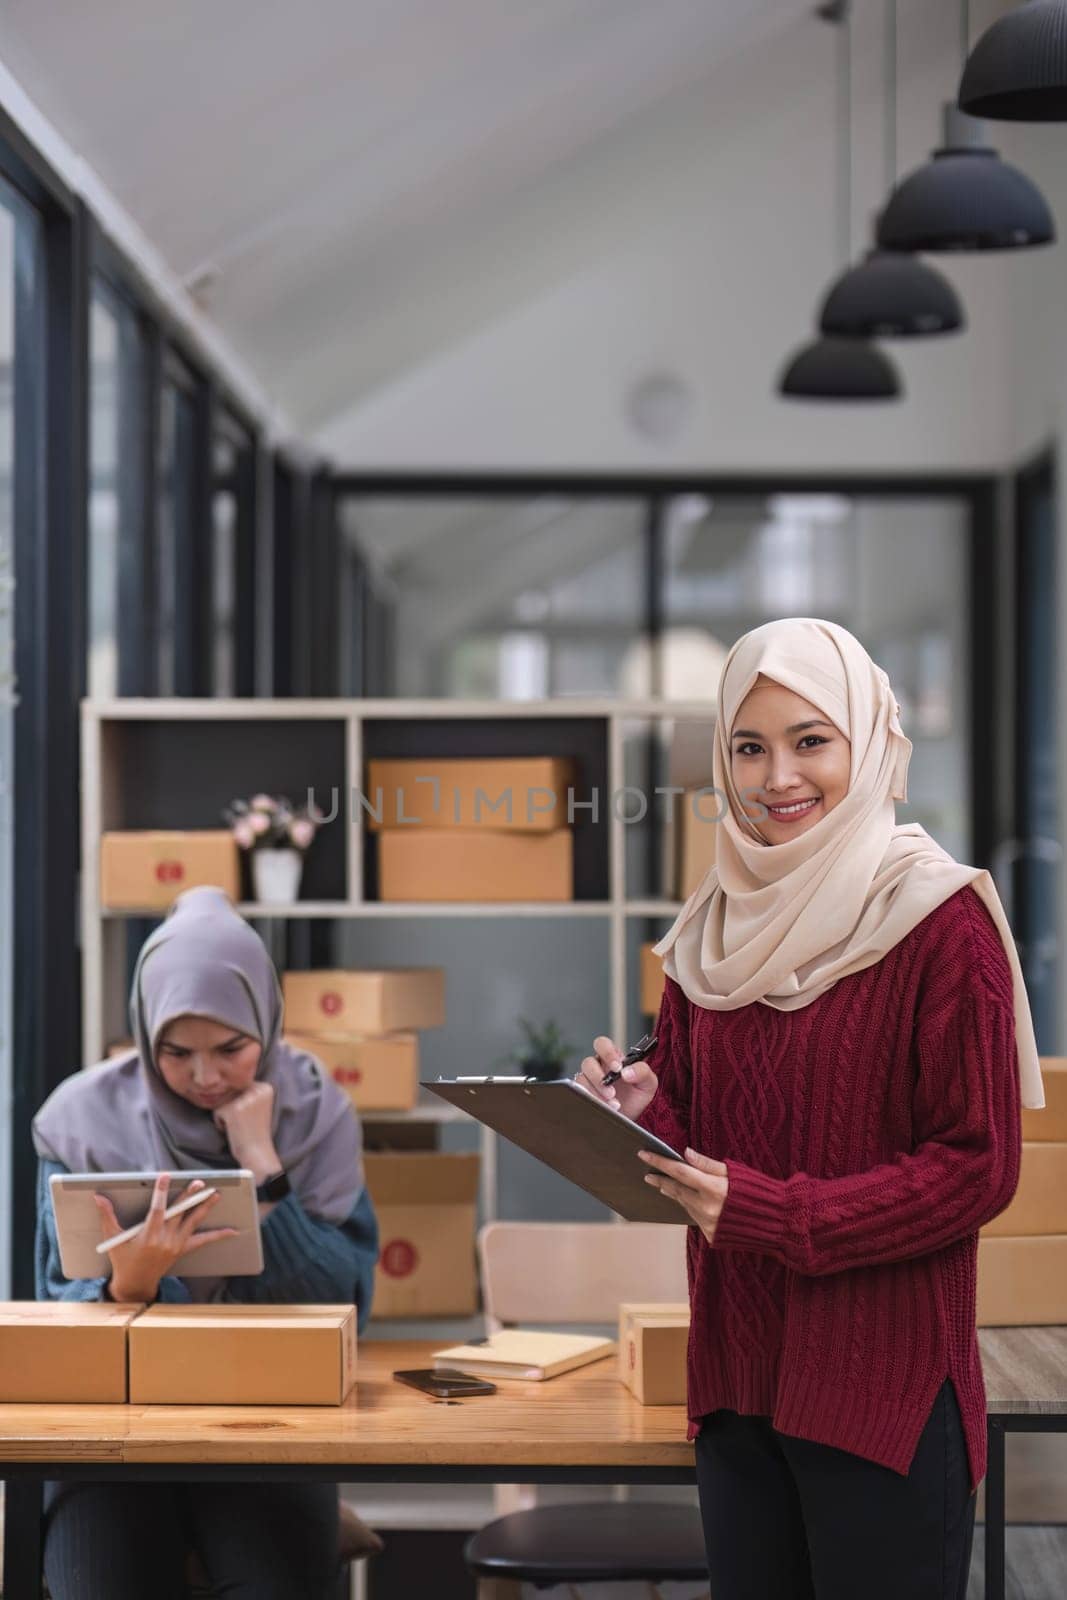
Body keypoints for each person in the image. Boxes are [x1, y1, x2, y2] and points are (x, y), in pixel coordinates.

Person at [579, 617, 1044, 1600]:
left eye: (808, 741)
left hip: (882, 1396)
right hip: (736, 1386)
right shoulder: (708, 928)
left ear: (866, 741)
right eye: (747, 747)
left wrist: (775, 1214)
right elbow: (697, 1157)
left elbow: (974, 1167)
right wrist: (635, 1116)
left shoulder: (936, 918)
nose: (775, 776)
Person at [32, 886, 381, 1600]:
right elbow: (56, 1313)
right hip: (118, 1433)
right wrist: (127, 1285)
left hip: (272, 1420)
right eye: (175, 1052)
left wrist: (261, 1162)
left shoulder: (317, 1112)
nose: (205, 1077)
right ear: (144, 1032)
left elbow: (344, 1302)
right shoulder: (81, 1118)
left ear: (267, 1021)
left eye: (231, 1049)